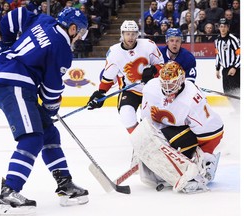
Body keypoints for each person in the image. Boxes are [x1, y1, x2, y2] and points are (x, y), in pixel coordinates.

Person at [0, 7, 89, 215]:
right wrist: (51, 109)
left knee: (49, 132)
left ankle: (65, 185)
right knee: (33, 138)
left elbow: (11, 17)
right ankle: (10, 192)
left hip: (14, 82)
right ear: (72, 28)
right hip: (15, 85)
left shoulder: (44, 20)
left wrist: (6, 44)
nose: (79, 37)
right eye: (79, 32)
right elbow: (51, 90)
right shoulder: (62, 47)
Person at [139, 61, 224, 193]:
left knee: (173, 142)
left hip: (208, 132)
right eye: (164, 83)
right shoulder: (151, 88)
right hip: (173, 126)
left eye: (172, 83)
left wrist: (202, 156)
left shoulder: (191, 100)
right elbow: (146, 121)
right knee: (154, 142)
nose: (168, 88)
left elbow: (211, 133)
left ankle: (207, 166)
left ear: (181, 80)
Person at [86, 20, 164, 134]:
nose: (130, 37)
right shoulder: (114, 52)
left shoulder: (148, 45)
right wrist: (100, 92)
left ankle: (155, 139)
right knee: (126, 114)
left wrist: (153, 70)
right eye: (127, 33)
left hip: (150, 90)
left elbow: (162, 66)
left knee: (150, 120)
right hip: (129, 90)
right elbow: (108, 77)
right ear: (122, 34)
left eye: (133, 33)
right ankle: (140, 140)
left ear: (137, 34)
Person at [215, 18, 240, 111]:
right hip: (225, 70)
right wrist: (217, 69)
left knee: (236, 91)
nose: (223, 29)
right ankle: (237, 110)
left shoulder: (233, 39)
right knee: (227, 92)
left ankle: (240, 110)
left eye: (225, 26)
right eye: (221, 27)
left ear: (228, 28)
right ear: (219, 28)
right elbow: (217, 54)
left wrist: (234, 67)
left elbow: (240, 54)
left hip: (235, 70)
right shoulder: (217, 41)